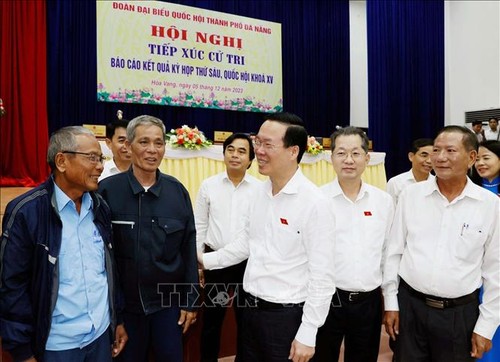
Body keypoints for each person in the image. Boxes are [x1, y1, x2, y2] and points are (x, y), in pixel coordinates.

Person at [199, 112, 336, 362]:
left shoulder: (314, 203)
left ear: (293, 151)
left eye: (267, 145)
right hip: (250, 312)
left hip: (286, 319)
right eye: (257, 142)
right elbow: (245, 244)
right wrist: (203, 261)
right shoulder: (259, 194)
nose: (258, 151)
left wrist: (308, 332)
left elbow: (323, 276)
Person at [0, 126, 127, 362]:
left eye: (100, 158)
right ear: (61, 161)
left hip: (100, 337)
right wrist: (22, 351)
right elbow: (11, 286)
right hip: (56, 345)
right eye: (91, 158)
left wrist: (116, 319)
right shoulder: (26, 212)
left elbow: (109, 271)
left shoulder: (100, 208)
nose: (99, 166)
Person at [383, 125, 500, 361]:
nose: (440, 157)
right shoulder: (411, 196)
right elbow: (394, 252)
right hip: (410, 308)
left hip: (459, 315)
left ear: (471, 157)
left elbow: (495, 269)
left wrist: (486, 326)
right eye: (436, 150)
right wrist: (391, 302)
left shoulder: (489, 205)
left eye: (450, 150)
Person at [98, 115, 198, 362]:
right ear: (129, 146)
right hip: (125, 309)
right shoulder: (106, 191)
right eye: (144, 142)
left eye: (159, 142)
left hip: (167, 306)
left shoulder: (177, 192)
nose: (152, 150)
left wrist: (191, 302)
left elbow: (188, 248)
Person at [314, 127, 394, 361]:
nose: (348, 160)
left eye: (356, 153)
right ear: (331, 158)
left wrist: (390, 300)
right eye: (341, 153)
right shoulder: (317, 200)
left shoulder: (383, 202)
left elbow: (388, 253)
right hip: (327, 299)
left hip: (367, 303)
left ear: (367, 158)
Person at [195, 133, 260, 362]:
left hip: (245, 266)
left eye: (242, 151)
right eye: (231, 149)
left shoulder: (260, 190)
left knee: (245, 321)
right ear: (223, 154)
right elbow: (200, 225)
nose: (235, 155)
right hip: (216, 267)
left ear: (251, 159)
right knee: (213, 320)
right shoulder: (209, 185)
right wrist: (199, 262)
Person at [471, 140, 500, 361]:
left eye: (486, 158)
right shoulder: (472, 191)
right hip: (476, 268)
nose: (480, 163)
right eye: (477, 158)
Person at [386, 138, 434, 204]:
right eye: (424, 156)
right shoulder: (396, 183)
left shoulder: (438, 183)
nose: (429, 161)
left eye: (433, 157)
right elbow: (390, 211)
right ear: (411, 156)